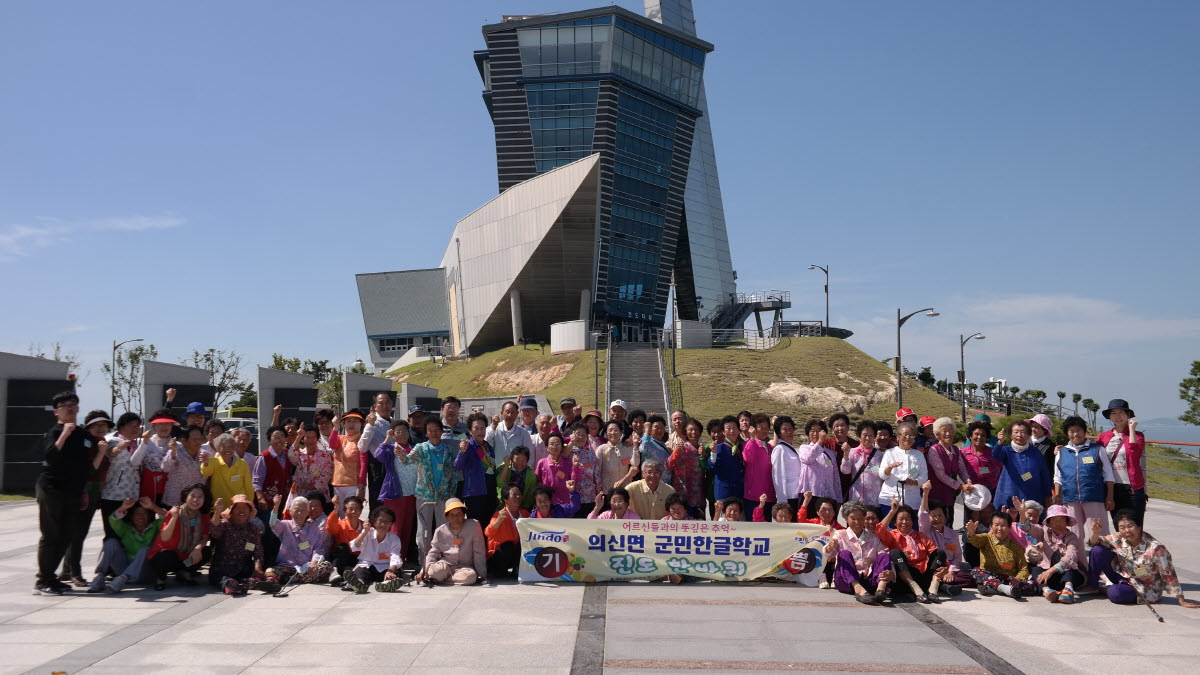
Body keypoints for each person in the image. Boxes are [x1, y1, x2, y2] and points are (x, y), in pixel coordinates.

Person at [34, 392, 90, 595]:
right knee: (51, 534)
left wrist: (84, 490)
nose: (70, 408)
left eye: (73, 404)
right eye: (64, 405)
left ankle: (52, 578)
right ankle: (43, 581)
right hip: (51, 489)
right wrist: (65, 434)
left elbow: (84, 465)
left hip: (74, 491)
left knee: (67, 535)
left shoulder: (83, 435)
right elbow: (50, 456)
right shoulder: (55, 432)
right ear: (57, 411)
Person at [1087, 509, 1198, 608]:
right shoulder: (1119, 538)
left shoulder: (1156, 548)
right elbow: (1093, 543)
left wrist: (1181, 600)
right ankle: (1092, 585)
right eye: (1122, 527)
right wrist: (1096, 533)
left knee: (1115, 593)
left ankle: (1107, 590)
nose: (1127, 531)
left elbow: (1169, 573)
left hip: (1144, 588)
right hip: (1122, 576)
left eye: (1130, 526)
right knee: (1097, 550)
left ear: (1139, 526)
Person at [60, 410, 112, 586]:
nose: (101, 428)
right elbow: (89, 470)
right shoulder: (87, 444)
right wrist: (101, 452)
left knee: (78, 533)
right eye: (96, 425)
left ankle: (67, 570)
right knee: (78, 533)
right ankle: (75, 572)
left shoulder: (101, 443)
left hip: (94, 491)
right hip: (83, 490)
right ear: (88, 426)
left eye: (104, 425)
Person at [400, 418, 460, 563]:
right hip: (424, 496)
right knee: (423, 532)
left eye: (436, 430)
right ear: (426, 433)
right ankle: (424, 564)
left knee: (443, 530)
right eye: (430, 431)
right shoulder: (420, 448)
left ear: (441, 431)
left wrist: (451, 495)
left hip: (443, 497)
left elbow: (454, 473)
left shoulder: (449, 450)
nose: (434, 433)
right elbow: (408, 460)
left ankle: (442, 561)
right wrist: (401, 455)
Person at [1053, 416, 1115, 542]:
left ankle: (1101, 559)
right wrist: (1058, 495)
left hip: (1094, 497)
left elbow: (1108, 475)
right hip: (1070, 499)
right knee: (1073, 534)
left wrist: (1109, 497)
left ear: (1084, 431)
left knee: (1099, 532)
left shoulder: (1097, 450)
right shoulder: (1061, 452)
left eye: (1079, 430)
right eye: (1071, 431)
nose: (1076, 434)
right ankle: (1076, 561)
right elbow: (1058, 477)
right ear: (1067, 433)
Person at [147, 483, 216, 591]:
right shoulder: (174, 512)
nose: (195, 500)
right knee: (167, 555)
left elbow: (204, 537)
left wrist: (198, 549)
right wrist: (174, 518)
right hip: (167, 556)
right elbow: (165, 537)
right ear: (186, 497)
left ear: (205, 499)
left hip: (185, 557)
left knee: (206, 551)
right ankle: (161, 578)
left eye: (200, 497)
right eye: (192, 496)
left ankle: (184, 572)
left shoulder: (204, 516)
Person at [825, 500, 894, 605]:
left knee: (884, 555)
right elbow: (828, 554)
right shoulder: (840, 534)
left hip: (868, 580)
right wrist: (830, 547)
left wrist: (890, 573)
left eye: (860, 518)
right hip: (846, 582)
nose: (857, 522)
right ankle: (858, 588)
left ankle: (880, 589)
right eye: (853, 518)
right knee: (844, 554)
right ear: (846, 519)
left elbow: (883, 558)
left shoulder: (873, 537)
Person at [877, 499, 945, 603]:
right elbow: (879, 531)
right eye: (901, 519)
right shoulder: (892, 535)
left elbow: (936, 554)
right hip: (904, 580)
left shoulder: (921, 536)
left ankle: (933, 590)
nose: (904, 522)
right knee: (895, 552)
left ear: (913, 521)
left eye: (908, 519)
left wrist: (946, 569)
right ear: (895, 522)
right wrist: (892, 512)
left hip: (923, 576)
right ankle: (916, 590)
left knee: (940, 552)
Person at [93, 497, 164, 594]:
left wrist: (152, 506)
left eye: (144, 513)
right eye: (137, 513)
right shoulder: (126, 529)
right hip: (124, 568)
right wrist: (123, 508)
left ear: (149, 516)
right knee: (111, 542)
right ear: (131, 516)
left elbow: (167, 517)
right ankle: (99, 576)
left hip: (145, 573)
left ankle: (123, 578)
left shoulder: (155, 527)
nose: (140, 516)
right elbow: (113, 520)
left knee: (145, 550)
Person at [373, 420, 419, 562]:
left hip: (411, 494)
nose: (402, 434)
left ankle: (401, 558)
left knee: (407, 528)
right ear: (393, 434)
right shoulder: (391, 448)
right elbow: (378, 454)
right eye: (398, 431)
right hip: (395, 495)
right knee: (395, 528)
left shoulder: (414, 449)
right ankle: (390, 559)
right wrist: (387, 439)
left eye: (404, 431)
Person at [1097, 399, 1146, 528]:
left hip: (1132, 488)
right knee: (1118, 525)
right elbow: (1095, 456)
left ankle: (1136, 549)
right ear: (1109, 416)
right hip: (1111, 487)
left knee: (1135, 526)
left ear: (1128, 415)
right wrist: (1064, 448)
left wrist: (1131, 429)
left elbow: (1134, 454)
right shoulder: (1104, 436)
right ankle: (1122, 549)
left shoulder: (1138, 435)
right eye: (1114, 413)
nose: (1117, 416)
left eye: (1121, 412)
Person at [964, 512, 1038, 599]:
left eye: (1003, 526)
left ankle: (994, 588)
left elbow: (1023, 568)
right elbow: (975, 540)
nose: (999, 528)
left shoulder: (1016, 547)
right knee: (976, 571)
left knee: (1032, 585)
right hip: (990, 576)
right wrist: (971, 533)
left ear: (1009, 528)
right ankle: (1002, 589)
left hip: (1009, 579)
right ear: (991, 526)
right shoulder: (986, 538)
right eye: (996, 525)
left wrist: (1017, 579)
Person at [1025, 503, 1086, 604]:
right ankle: (1047, 591)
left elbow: (1071, 556)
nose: (1058, 523)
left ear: (1067, 522)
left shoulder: (1072, 537)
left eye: (1061, 519)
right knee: (1036, 570)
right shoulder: (1043, 532)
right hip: (1048, 578)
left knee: (1071, 572)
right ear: (1049, 522)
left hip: (1066, 575)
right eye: (1054, 520)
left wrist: (1051, 570)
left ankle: (1068, 591)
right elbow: (1030, 529)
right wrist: (1023, 514)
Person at [99, 412, 146, 540]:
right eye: (131, 425)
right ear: (121, 427)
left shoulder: (138, 444)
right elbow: (110, 453)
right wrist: (119, 448)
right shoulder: (112, 440)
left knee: (128, 535)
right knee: (112, 534)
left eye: (137, 426)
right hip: (113, 496)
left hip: (132, 496)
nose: (135, 429)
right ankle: (109, 559)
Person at [418, 498, 487, 586]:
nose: (455, 518)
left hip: (465, 567)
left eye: (458, 514)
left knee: (471, 577)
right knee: (433, 572)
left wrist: (482, 575)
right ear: (446, 516)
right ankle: (436, 577)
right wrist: (423, 572)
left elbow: (479, 552)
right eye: (452, 515)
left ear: (464, 514)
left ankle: (441, 580)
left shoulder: (473, 526)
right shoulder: (440, 531)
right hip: (445, 565)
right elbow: (433, 553)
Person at [991, 419, 1053, 517]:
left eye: (1023, 432)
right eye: (1016, 432)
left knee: (1030, 527)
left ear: (1029, 435)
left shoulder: (1036, 452)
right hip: (1009, 496)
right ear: (1011, 435)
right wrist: (1000, 442)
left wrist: (1048, 495)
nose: (1019, 435)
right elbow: (995, 455)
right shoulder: (1006, 451)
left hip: (1032, 497)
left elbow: (1044, 475)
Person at [208, 494, 266, 595]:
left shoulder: (253, 529)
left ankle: (247, 583)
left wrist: (258, 568)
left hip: (242, 568)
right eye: (238, 508)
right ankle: (229, 585)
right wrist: (217, 512)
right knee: (220, 578)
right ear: (231, 511)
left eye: (245, 508)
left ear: (249, 512)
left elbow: (258, 551)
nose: (242, 511)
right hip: (222, 568)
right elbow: (214, 531)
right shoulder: (224, 524)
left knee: (250, 575)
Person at [267, 494, 330, 585]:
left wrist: (314, 562)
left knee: (327, 566)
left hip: (306, 567)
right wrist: (276, 506)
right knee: (270, 571)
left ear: (308, 513)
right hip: (287, 566)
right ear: (291, 512)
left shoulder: (314, 529)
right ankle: (272, 583)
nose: (299, 513)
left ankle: (291, 579)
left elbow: (318, 549)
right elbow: (272, 523)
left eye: (303, 511)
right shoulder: (285, 525)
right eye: (296, 510)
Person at [918, 482, 967, 595]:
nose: (937, 519)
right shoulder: (926, 530)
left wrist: (950, 572)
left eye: (940, 515)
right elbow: (923, 515)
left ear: (945, 517)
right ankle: (943, 585)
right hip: (931, 568)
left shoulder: (953, 534)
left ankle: (943, 585)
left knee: (968, 575)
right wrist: (925, 493)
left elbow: (957, 557)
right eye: (933, 515)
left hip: (948, 569)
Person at [925, 417, 974, 528]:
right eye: (944, 431)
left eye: (950, 430)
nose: (948, 434)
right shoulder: (934, 450)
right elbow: (940, 475)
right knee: (937, 524)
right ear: (937, 434)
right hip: (936, 494)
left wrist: (968, 481)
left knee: (948, 523)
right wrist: (961, 486)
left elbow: (962, 469)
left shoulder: (956, 450)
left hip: (950, 494)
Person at [345, 506, 406, 593]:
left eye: (387, 522)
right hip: (366, 566)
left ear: (391, 524)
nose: (383, 524)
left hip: (385, 567)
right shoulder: (367, 533)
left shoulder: (394, 539)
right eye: (380, 521)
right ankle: (359, 584)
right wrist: (364, 533)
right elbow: (355, 546)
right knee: (360, 573)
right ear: (374, 522)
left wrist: (390, 571)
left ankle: (386, 584)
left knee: (396, 573)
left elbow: (395, 557)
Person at [455, 412, 498, 526]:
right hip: (474, 494)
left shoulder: (489, 448)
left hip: (490, 493)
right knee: (475, 529)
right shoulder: (467, 446)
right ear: (470, 430)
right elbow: (457, 466)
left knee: (490, 527)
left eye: (482, 428)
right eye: (476, 428)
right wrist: (462, 452)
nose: (480, 431)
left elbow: (492, 471)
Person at [878, 422, 927, 512]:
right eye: (905, 434)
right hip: (890, 498)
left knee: (911, 525)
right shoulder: (889, 453)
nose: (908, 437)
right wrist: (889, 468)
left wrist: (914, 481)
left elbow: (924, 477)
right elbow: (882, 475)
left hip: (912, 500)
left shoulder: (919, 455)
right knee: (890, 526)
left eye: (911, 435)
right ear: (898, 437)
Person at [796, 418, 843, 512]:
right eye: (812, 431)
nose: (815, 434)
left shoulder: (830, 453)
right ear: (808, 433)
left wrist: (838, 498)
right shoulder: (804, 448)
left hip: (828, 496)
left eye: (818, 431)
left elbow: (836, 477)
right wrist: (819, 442)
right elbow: (808, 459)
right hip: (809, 495)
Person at [359, 392, 395, 507]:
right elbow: (362, 447)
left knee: (393, 505)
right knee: (378, 505)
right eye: (381, 403)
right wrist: (369, 425)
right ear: (374, 407)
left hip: (395, 469)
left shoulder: (395, 423)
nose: (385, 406)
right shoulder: (372, 424)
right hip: (378, 469)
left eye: (388, 402)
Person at [961, 421, 1001, 523]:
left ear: (987, 438)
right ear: (970, 436)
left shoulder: (993, 453)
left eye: (983, 435)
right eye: (976, 434)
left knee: (988, 520)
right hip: (971, 492)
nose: (979, 437)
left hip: (990, 491)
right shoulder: (963, 453)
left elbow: (1001, 469)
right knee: (970, 522)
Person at [200, 433, 255, 508]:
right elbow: (206, 473)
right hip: (220, 507)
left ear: (234, 448)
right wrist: (205, 463)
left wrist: (249, 504)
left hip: (238, 507)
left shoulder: (242, 463)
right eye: (223, 446)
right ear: (218, 448)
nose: (227, 449)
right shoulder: (213, 462)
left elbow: (248, 487)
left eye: (230, 446)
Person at [485, 485, 528, 578]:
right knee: (507, 545)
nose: (518, 497)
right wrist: (498, 521)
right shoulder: (499, 514)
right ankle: (498, 571)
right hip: (498, 556)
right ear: (505, 498)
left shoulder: (525, 514)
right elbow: (488, 533)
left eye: (519, 494)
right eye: (514, 494)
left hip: (515, 555)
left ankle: (517, 569)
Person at [325, 494, 367, 585]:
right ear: (344, 511)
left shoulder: (365, 526)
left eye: (357, 509)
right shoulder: (341, 524)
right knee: (342, 547)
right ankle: (333, 571)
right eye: (350, 509)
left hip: (358, 559)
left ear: (361, 510)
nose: (354, 511)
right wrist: (336, 508)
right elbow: (330, 528)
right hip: (342, 558)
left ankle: (351, 579)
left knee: (351, 570)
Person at [667, 418, 704, 519]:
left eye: (696, 430)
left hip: (699, 495)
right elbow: (668, 465)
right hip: (683, 495)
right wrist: (676, 451)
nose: (693, 432)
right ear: (685, 432)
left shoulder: (702, 448)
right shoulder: (682, 448)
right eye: (690, 430)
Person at [330, 409, 366, 511]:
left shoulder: (362, 441)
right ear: (344, 424)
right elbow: (332, 444)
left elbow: (364, 465)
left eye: (355, 421)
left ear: (361, 424)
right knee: (339, 513)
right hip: (337, 483)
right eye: (348, 421)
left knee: (351, 514)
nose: (351, 424)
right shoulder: (340, 438)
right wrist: (335, 427)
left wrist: (361, 487)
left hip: (353, 485)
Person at [741, 413, 775, 521]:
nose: (765, 431)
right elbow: (747, 458)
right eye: (761, 428)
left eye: (767, 428)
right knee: (753, 529)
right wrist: (752, 439)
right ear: (753, 429)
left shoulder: (770, 447)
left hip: (769, 496)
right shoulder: (749, 444)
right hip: (753, 496)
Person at [841, 421, 883, 507]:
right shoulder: (852, 452)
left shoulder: (880, 455)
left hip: (874, 499)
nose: (867, 438)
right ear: (859, 437)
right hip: (856, 497)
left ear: (875, 437)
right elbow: (845, 471)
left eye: (871, 435)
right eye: (864, 435)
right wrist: (845, 455)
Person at [534, 432, 581, 507]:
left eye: (557, 444)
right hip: (547, 504)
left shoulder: (568, 463)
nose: (554, 446)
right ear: (546, 447)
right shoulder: (542, 463)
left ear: (562, 447)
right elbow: (537, 481)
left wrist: (576, 467)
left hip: (565, 503)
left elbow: (575, 480)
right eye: (551, 444)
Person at [708, 417, 743, 517]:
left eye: (734, 427)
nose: (732, 431)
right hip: (724, 494)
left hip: (739, 492)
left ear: (738, 430)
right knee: (723, 526)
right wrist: (713, 454)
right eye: (728, 428)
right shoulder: (719, 447)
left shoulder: (742, 447)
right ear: (723, 431)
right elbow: (711, 466)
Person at [289, 422, 334, 500]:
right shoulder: (299, 454)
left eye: (313, 437)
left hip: (319, 495)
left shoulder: (326, 455)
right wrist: (298, 437)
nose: (311, 440)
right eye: (307, 437)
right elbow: (290, 455)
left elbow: (327, 474)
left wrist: (312, 485)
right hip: (300, 494)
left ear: (317, 439)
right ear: (303, 439)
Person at [567, 423, 601, 518]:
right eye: (578, 434)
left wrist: (598, 492)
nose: (581, 437)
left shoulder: (590, 454)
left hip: (589, 497)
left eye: (583, 435)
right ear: (573, 435)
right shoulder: (568, 452)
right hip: (572, 496)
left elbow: (596, 475)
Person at [486, 400, 533, 467]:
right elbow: (485, 442)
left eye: (513, 412)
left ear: (517, 413)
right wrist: (493, 427)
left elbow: (529, 455)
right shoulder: (494, 428)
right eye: (507, 412)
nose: (510, 415)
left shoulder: (523, 433)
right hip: (497, 471)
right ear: (502, 413)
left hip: (516, 472)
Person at [597, 420, 639, 493]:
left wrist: (635, 446)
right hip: (607, 490)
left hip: (624, 489)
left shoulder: (627, 448)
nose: (613, 433)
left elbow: (635, 463)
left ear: (621, 432)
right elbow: (597, 470)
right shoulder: (601, 449)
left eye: (616, 430)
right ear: (606, 433)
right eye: (610, 430)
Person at [770, 416, 802, 512]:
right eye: (785, 429)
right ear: (779, 432)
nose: (789, 432)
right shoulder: (779, 449)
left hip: (796, 495)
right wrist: (782, 502)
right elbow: (777, 476)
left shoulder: (790, 448)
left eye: (790, 429)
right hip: (788, 496)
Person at [497, 445, 538, 511]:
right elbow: (500, 484)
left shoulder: (531, 474)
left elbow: (530, 495)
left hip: (522, 508)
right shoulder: (504, 467)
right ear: (512, 459)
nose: (520, 463)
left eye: (523, 460)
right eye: (517, 459)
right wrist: (506, 466)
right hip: (504, 507)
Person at [638, 415, 672, 483]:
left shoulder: (663, 444)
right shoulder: (648, 442)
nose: (659, 430)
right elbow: (642, 448)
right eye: (656, 427)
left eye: (661, 427)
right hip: (653, 483)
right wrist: (646, 430)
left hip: (665, 483)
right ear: (650, 429)